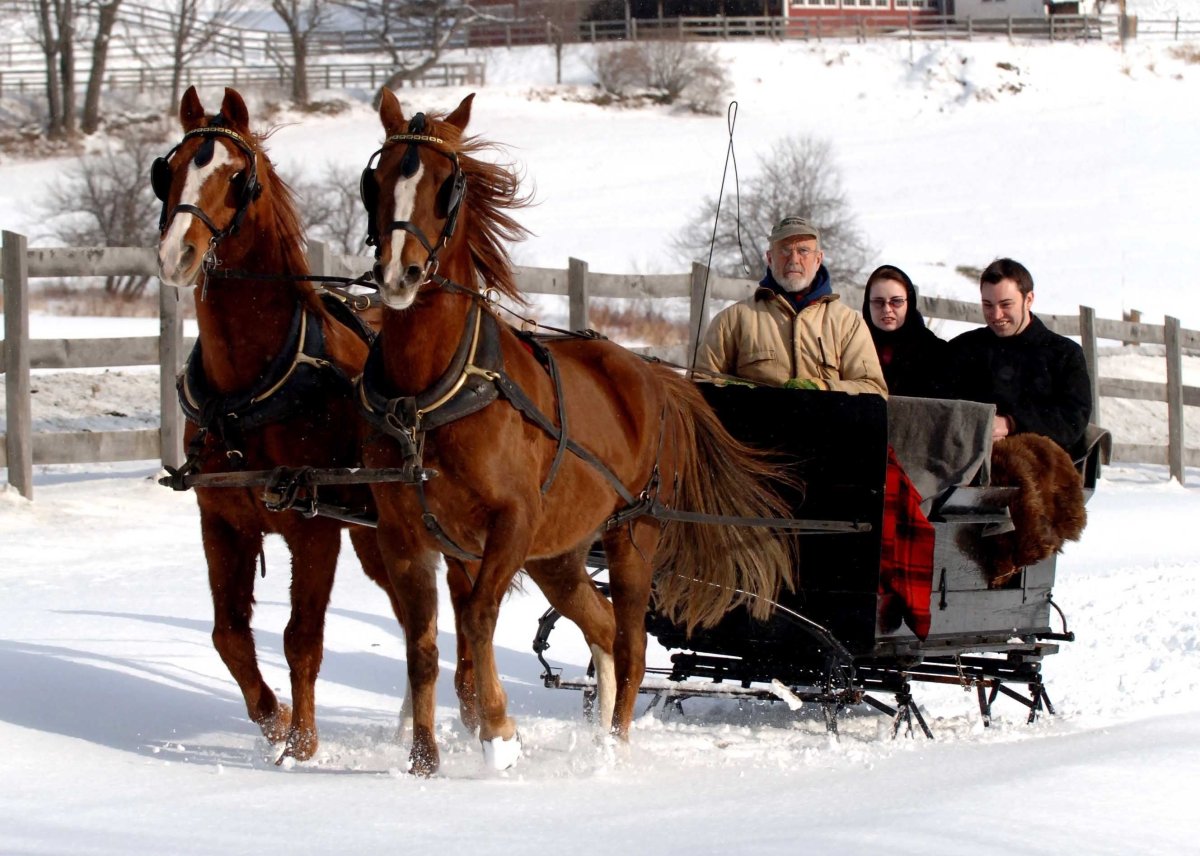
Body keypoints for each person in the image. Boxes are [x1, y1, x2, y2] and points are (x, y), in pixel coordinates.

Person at [695, 216, 887, 396]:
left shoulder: (848, 323)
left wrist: (822, 387)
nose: (794, 259)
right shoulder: (733, 320)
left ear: (818, 259)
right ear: (770, 259)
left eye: (803, 250)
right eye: (785, 250)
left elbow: (873, 389)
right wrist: (739, 395)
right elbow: (699, 385)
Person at [947, 258, 1092, 456]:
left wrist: (1012, 422)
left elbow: (1072, 420)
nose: (996, 315)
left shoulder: (1064, 354)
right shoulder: (963, 348)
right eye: (988, 305)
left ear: (1029, 299)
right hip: (967, 460)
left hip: (1041, 466)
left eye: (1006, 304)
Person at [861, 264, 948, 399]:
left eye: (896, 301)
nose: (887, 309)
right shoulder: (854, 346)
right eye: (878, 302)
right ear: (868, 304)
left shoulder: (935, 352)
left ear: (909, 302)